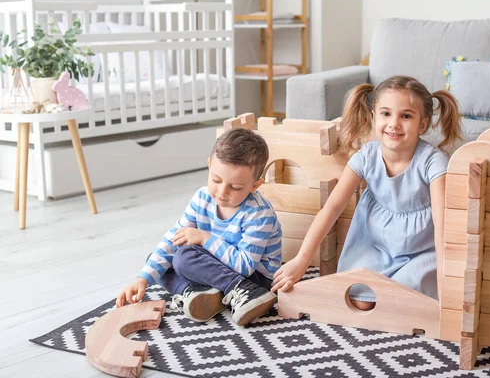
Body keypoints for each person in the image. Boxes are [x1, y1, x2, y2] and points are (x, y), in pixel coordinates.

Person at [271, 75, 462, 310]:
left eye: (406, 116)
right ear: (373, 117)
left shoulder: (433, 162)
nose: (394, 123)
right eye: (386, 114)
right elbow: (331, 208)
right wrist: (301, 259)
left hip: (421, 252)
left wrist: (447, 285)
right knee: (360, 301)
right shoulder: (366, 156)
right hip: (376, 248)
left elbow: (442, 227)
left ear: (422, 124)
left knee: (401, 302)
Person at [116, 128, 282, 327]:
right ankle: (198, 294)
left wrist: (204, 238)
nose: (222, 192)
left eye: (236, 187)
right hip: (218, 266)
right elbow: (173, 239)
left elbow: (244, 266)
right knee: (158, 259)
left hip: (255, 277)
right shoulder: (202, 198)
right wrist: (142, 279)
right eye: (216, 180)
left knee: (183, 257)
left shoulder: (258, 213)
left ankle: (246, 292)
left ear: (255, 185)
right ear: (210, 165)